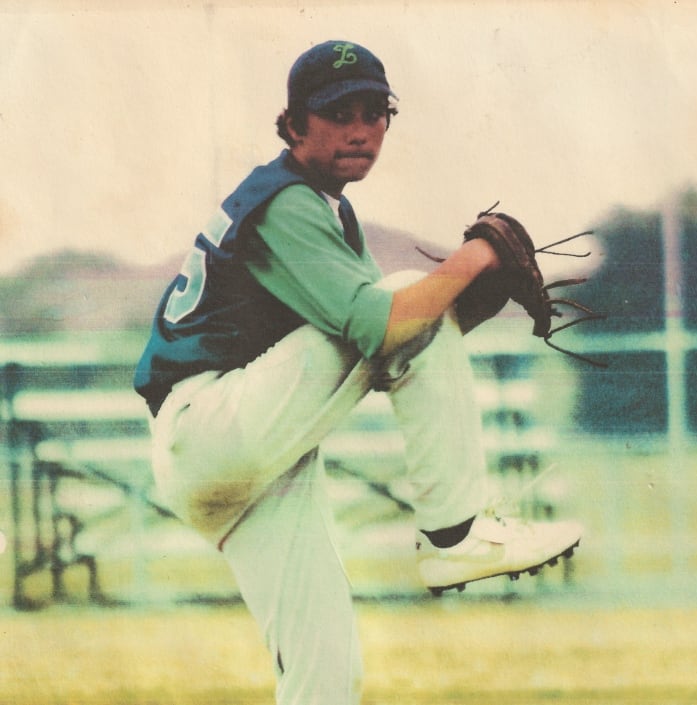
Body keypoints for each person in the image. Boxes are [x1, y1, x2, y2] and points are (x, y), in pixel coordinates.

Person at [134, 39, 582, 705]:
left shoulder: (323, 208)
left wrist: (463, 299)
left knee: (327, 674)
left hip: (243, 456)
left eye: (375, 111)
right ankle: (455, 534)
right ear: (291, 125)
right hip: (214, 425)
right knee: (403, 293)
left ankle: (454, 537)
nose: (359, 127)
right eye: (338, 110)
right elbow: (381, 326)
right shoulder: (286, 200)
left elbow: (397, 342)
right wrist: (466, 264)